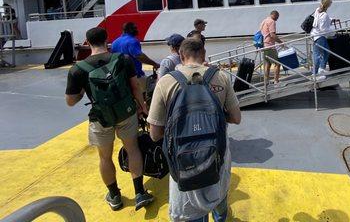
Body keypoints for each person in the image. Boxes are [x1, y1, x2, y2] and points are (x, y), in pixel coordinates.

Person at [147, 38, 241, 222]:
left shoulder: (166, 82)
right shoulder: (220, 77)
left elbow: (155, 133)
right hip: (216, 158)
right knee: (220, 198)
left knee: (191, 214)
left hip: (184, 164)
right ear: (203, 54)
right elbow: (236, 118)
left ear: (181, 55)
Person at [65, 27, 154, 211]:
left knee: (104, 157)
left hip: (100, 118)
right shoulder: (123, 59)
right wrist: (143, 107)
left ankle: (115, 196)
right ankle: (139, 192)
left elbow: (71, 101)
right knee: (133, 149)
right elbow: (135, 86)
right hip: (126, 113)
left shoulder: (78, 69)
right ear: (107, 40)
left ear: (87, 43)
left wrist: (83, 90)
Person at [111, 22, 160, 92]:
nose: (137, 30)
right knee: (152, 91)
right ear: (130, 30)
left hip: (121, 77)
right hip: (135, 76)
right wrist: (154, 64)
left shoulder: (115, 42)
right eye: (135, 28)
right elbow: (139, 56)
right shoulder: (132, 41)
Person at [310, 0, 336, 80]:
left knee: (326, 52)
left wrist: (331, 20)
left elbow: (320, 20)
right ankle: (316, 74)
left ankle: (320, 70)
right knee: (318, 55)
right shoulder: (324, 14)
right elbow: (323, 28)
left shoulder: (318, 10)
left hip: (316, 34)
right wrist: (333, 31)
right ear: (328, 5)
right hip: (320, 36)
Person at [260, 10, 283, 84]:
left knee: (267, 64)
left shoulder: (264, 21)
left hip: (264, 45)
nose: (277, 19)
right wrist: (281, 42)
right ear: (274, 15)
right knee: (277, 63)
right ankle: (276, 81)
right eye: (277, 17)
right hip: (270, 46)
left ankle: (266, 81)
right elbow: (272, 35)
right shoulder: (272, 22)